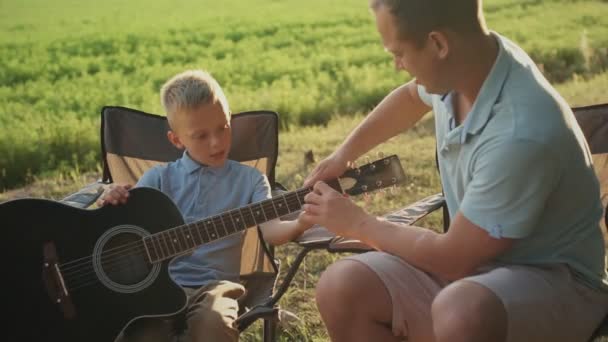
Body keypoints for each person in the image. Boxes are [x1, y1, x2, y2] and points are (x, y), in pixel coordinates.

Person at [300, 1, 608, 341]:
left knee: (462, 310)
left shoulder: (521, 131)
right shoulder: (468, 67)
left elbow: (452, 259)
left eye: (399, 52)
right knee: (341, 287)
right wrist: (344, 155)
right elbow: (409, 98)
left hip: (555, 282)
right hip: (476, 270)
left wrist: (358, 223)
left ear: (438, 44)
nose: (397, 65)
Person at [98, 69, 312, 342]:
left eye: (223, 128)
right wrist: (111, 197)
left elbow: (271, 231)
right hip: (157, 289)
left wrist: (302, 222)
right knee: (140, 335)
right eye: (200, 136)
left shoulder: (249, 179)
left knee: (213, 325)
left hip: (216, 286)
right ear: (176, 140)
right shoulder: (159, 178)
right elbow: (124, 231)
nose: (216, 142)